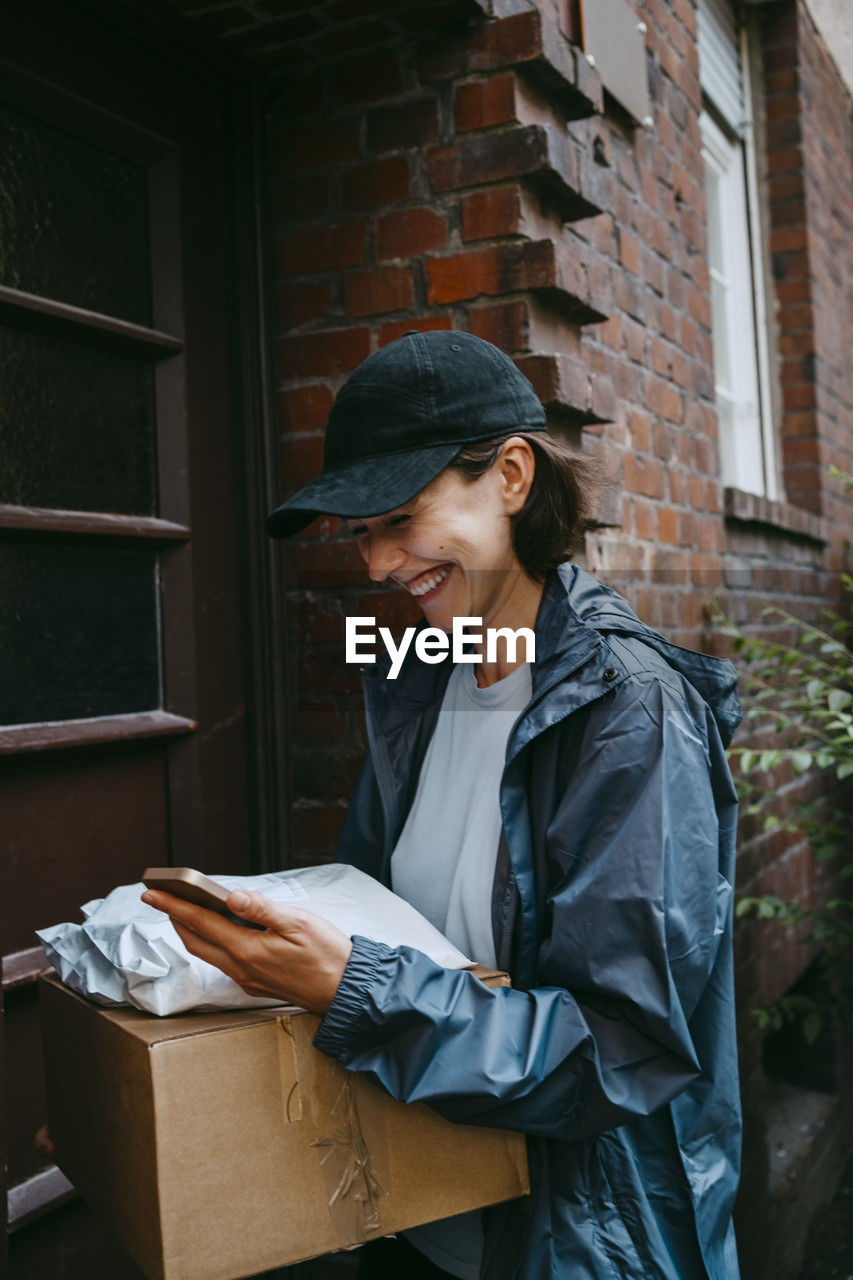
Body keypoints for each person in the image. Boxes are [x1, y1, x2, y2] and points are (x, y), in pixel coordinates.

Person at [141, 331, 743, 1280]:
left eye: (400, 517)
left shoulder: (628, 712)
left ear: (510, 476)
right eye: (361, 532)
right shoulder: (417, 684)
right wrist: (155, 1107)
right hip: (415, 1216)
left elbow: (620, 1050)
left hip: (571, 1241)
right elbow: (366, 929)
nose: (379, 562)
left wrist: (356, 988)